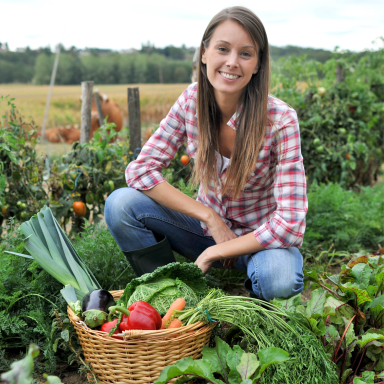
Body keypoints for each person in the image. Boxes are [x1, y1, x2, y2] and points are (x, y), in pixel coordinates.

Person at [105, 6, 307, 302]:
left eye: (246, 54)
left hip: (260, 242)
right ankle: (174, 296)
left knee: (277, 279)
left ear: (258, 64)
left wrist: (218, 249)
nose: (232, 62)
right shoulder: (191, 102)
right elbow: (141, 171)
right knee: (120, 204)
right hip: (201, 231)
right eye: (222, 49)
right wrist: (209, 217)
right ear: (204, 53)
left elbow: (290, 222)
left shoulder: (280, 120)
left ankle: (251, 307)